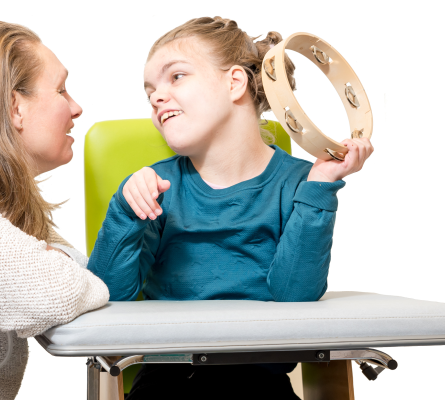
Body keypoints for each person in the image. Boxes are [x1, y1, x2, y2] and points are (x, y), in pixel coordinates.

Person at [87, 16, 373, 399]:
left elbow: (294, 296)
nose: (156, 96)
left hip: (259, 382)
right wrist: (125, 208)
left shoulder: (302, 185)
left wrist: (321, 188)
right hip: (167, 380)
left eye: (176, 77)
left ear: (235, 82)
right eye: (150, 90)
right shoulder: (156, 187)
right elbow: (110, 299)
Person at [0, 21, 109, 400]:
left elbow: (85, 273)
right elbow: (52, 293)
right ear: (15, 106)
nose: (76, 107)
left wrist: (52, 262)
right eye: (61, 90)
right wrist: (49, 267)